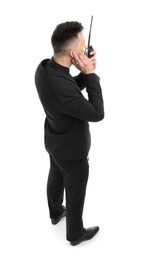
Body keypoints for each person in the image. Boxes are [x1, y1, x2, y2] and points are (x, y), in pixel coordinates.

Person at [35, 21, 104, 246]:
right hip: (73, 151)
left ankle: (55, 212)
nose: (85, 49)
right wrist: (91, 74)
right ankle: (75, 234)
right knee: (75, 192)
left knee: (55, 176)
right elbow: (96, 112)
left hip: (54, 141)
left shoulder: (45, 68)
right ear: (73, 52)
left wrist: (84, 73)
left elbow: (69, 90)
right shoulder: (61, 88)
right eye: (82, 46)